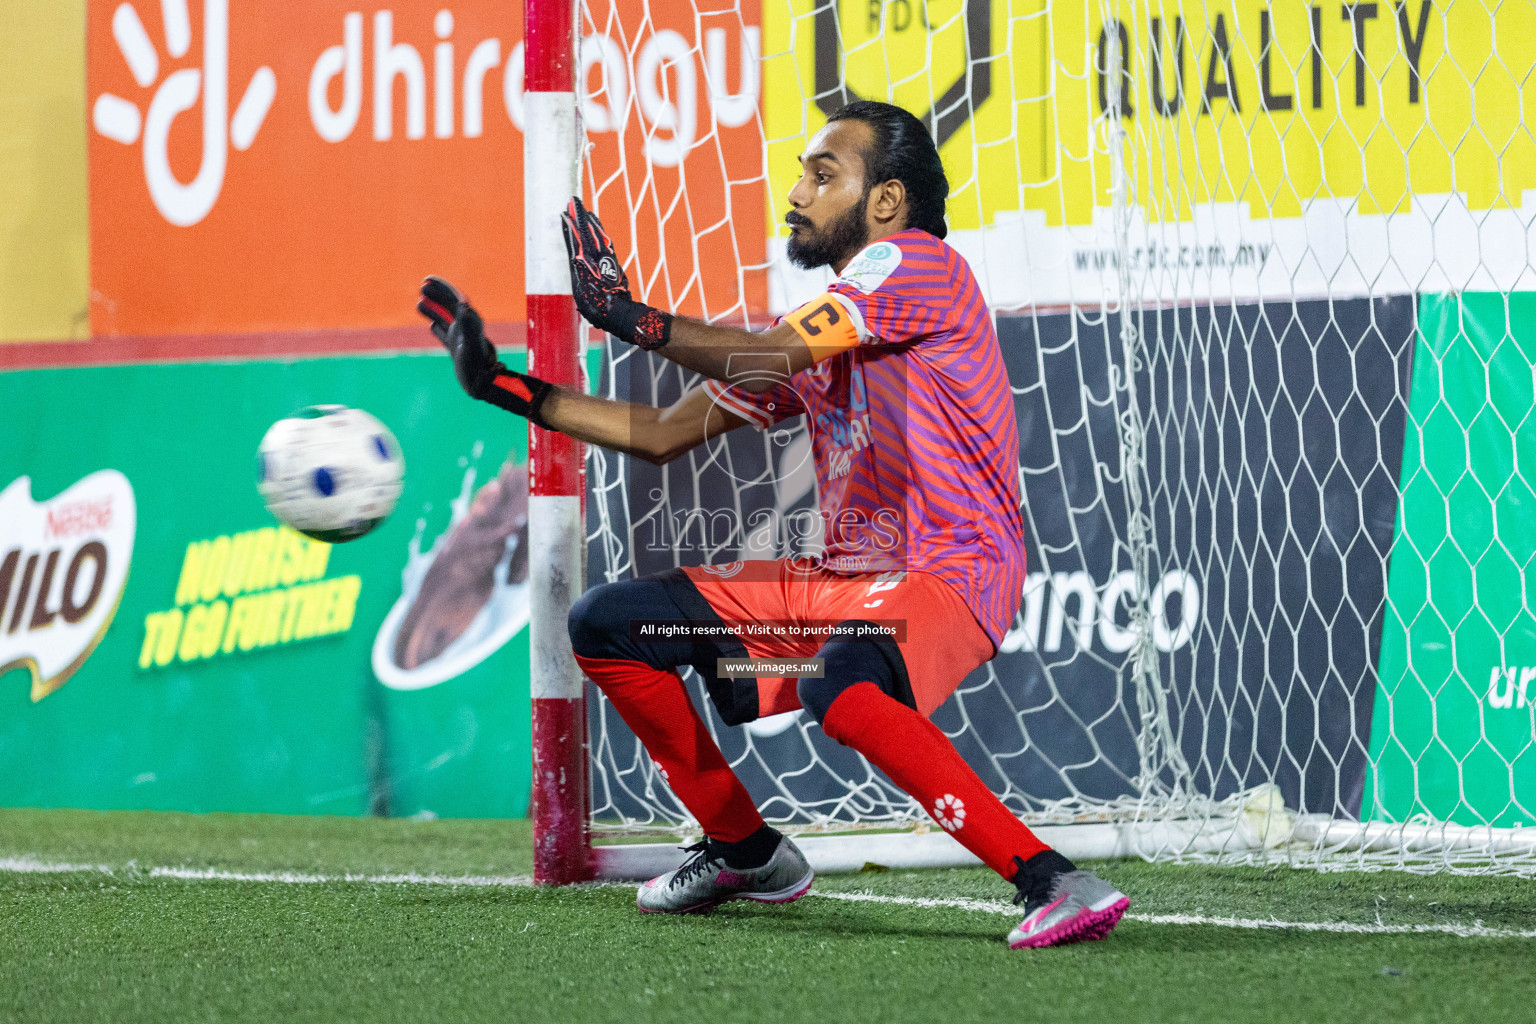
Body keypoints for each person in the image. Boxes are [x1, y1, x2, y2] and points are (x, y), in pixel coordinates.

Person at [418, 100, 1128, 949]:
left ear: (888, 203)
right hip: (836, 586)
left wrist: (630, 317)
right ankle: (742, 848)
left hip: (949, 573)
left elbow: (772, 354)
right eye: (801, 174)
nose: (796, 193)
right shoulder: (826, 337)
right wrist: (502, 386)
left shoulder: (917, 266)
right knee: (610, 625)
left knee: (842, 681)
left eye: (823, 176)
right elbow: (660, 432)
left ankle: (1052, 880)